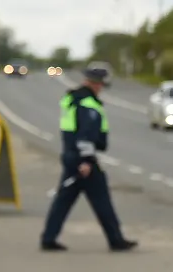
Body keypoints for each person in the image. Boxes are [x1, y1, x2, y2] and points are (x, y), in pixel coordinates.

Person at [40, 67, 137, 252]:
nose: (101, 88)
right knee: (102, 200)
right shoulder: (88, 104)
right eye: (101, 85)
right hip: (83, 160)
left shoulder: (73, 99)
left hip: (71, 155)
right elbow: (85, 135)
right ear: (96, 84)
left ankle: (48, 238)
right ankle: (116, 240)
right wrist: (86, 161)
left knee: (63, 200)